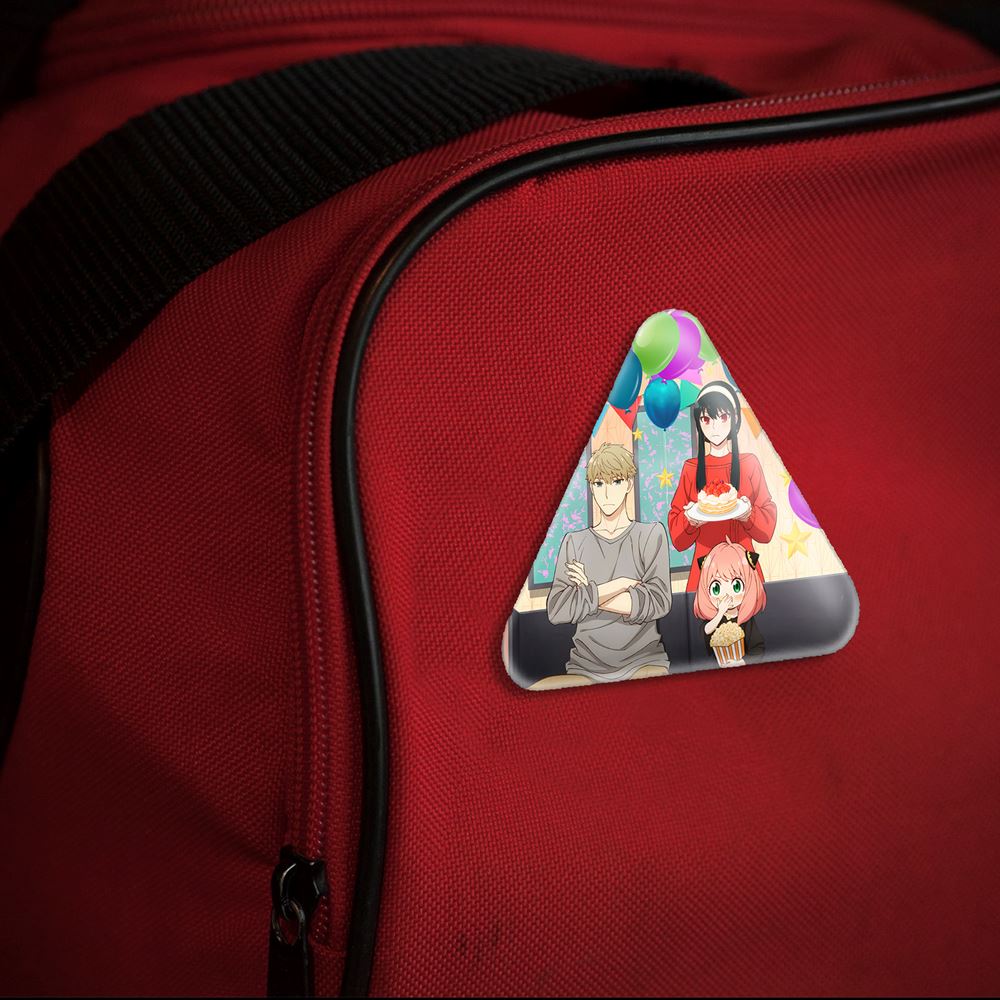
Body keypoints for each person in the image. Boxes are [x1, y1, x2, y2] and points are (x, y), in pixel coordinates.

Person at [540, 442, 672, 688]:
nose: (607, 493)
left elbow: (657, 602)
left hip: (644, 661)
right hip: (584, 665)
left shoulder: (651, 535)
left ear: (629, 484)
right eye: (599, 484)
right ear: (591, 487)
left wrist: (587, 592)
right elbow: (557, 610)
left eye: (616, 482)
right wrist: (620, 585)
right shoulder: (574, 542)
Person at [668, 380, 777, 592]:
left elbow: (767, 531)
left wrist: (748, 514)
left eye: (723, 417)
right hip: (705, 571)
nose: (715, 427)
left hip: (744, 568)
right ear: (699, 423)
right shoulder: (691, 469)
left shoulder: (749, 463)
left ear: (734, 420)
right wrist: (690, 519)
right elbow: (678, 541)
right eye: (706, 419)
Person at [692, 536, 767, 665]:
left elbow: (758, 649)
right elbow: (706, 631)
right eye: (716, 588)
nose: (726, 595)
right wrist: (720, 613)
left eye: (736, 586)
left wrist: (741, 662)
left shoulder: (746, 622)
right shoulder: (714, 621)